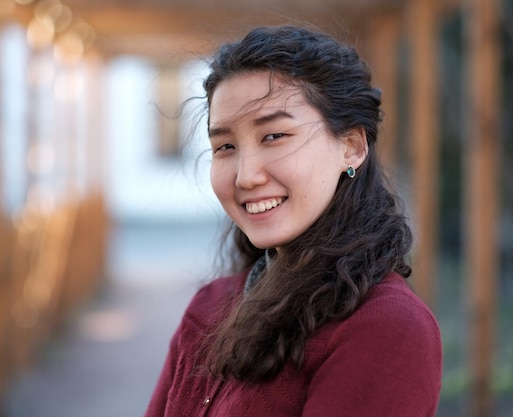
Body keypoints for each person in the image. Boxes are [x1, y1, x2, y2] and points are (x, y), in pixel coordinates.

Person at [144, 25, 442, 417]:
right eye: (225, 146)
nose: (245, 175)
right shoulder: (210, 307)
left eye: (274, 136)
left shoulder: (385, 328)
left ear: (351, 147)